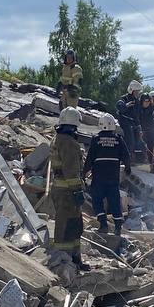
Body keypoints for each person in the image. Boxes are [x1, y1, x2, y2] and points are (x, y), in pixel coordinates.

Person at [49, 106, 89, 271]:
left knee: (70, 225)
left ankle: (73, 259)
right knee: (69, 227)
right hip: (67, 192)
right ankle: (66, 262)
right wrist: (77, 191)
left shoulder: (57, 138)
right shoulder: (69, 143)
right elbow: (71, 170)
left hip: (60, 189)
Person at [84, 113, 131, 236]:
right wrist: (128, 168)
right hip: (113, 178)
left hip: (99, 178)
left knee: (97, 200)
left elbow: (89, 159)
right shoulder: (118, 139)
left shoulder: (96, 139)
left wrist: (83, 173)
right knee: (114, 201)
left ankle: (103, 225)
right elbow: (126, 155)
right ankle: (118, 228)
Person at [116, 79, 144, 162]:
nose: (137, 93)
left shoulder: (137, 102)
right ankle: (126, 159)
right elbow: (119, 107)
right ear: (132, 91)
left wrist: (139, 127)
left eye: (138, 92)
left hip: (134, 124)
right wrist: (126, 106)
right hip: (125, 123)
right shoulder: (124, 99)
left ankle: (134, 158)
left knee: (138, 141)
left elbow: (137, 116)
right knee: (129, 140)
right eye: (136, 92)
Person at [139, 91, 154, 172]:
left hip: (152, 132)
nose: (153, 100)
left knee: (152, 149)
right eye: (152, 98)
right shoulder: (141, 108)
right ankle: (143, 163)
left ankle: (153, 166)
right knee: (143, 147)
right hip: (143, 131)